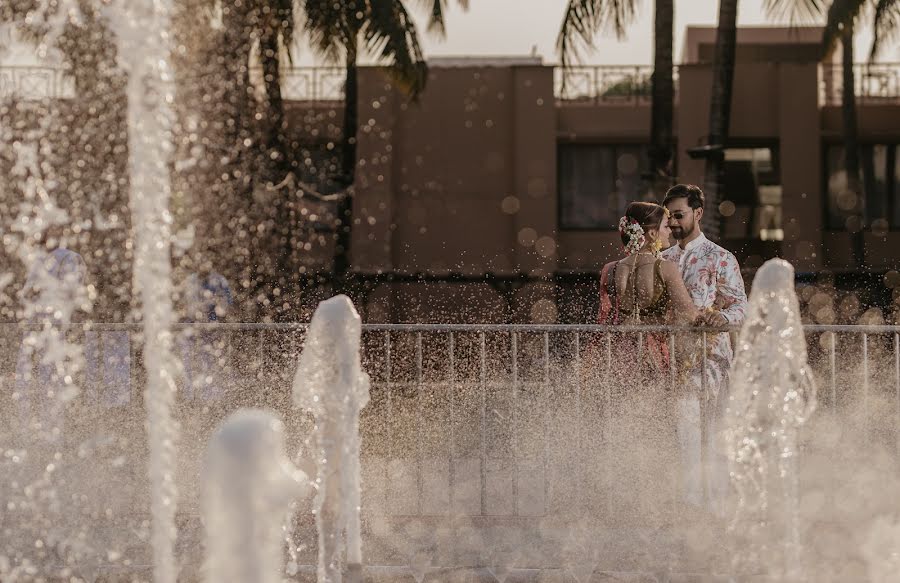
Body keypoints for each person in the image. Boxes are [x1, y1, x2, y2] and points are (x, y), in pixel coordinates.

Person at [593, 201, 702, 520]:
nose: (671, 232)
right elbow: (688, 313)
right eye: (666, 227)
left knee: (625, 424)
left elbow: (605, 320)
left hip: (621, 356)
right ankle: (659, 502)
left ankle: (624, 500)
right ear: (652, 233)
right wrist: (709, 317)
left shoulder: (611, 269)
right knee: (661, 426)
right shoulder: (665, 268)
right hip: (654, 354)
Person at [661, 184, 748, 511]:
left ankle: (717, 504)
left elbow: (742, 307)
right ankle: (690, 504)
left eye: (679, 215)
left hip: (712, 360)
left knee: (714, 435)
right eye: (668, 217)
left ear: (698, 213)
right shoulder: (661, 259)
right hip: (672, 359)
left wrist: (720, 317)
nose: (672, 224)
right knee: (683, 435)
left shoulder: (720, 258)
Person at [15, 242, 88, 437]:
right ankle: (37, 431)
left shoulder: (66, 257)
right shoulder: (42, 258)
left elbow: (73, 293)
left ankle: (52, 432)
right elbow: (27, 294)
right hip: (42, 329)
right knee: (39, 379)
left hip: (56, 329)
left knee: (52, 378)